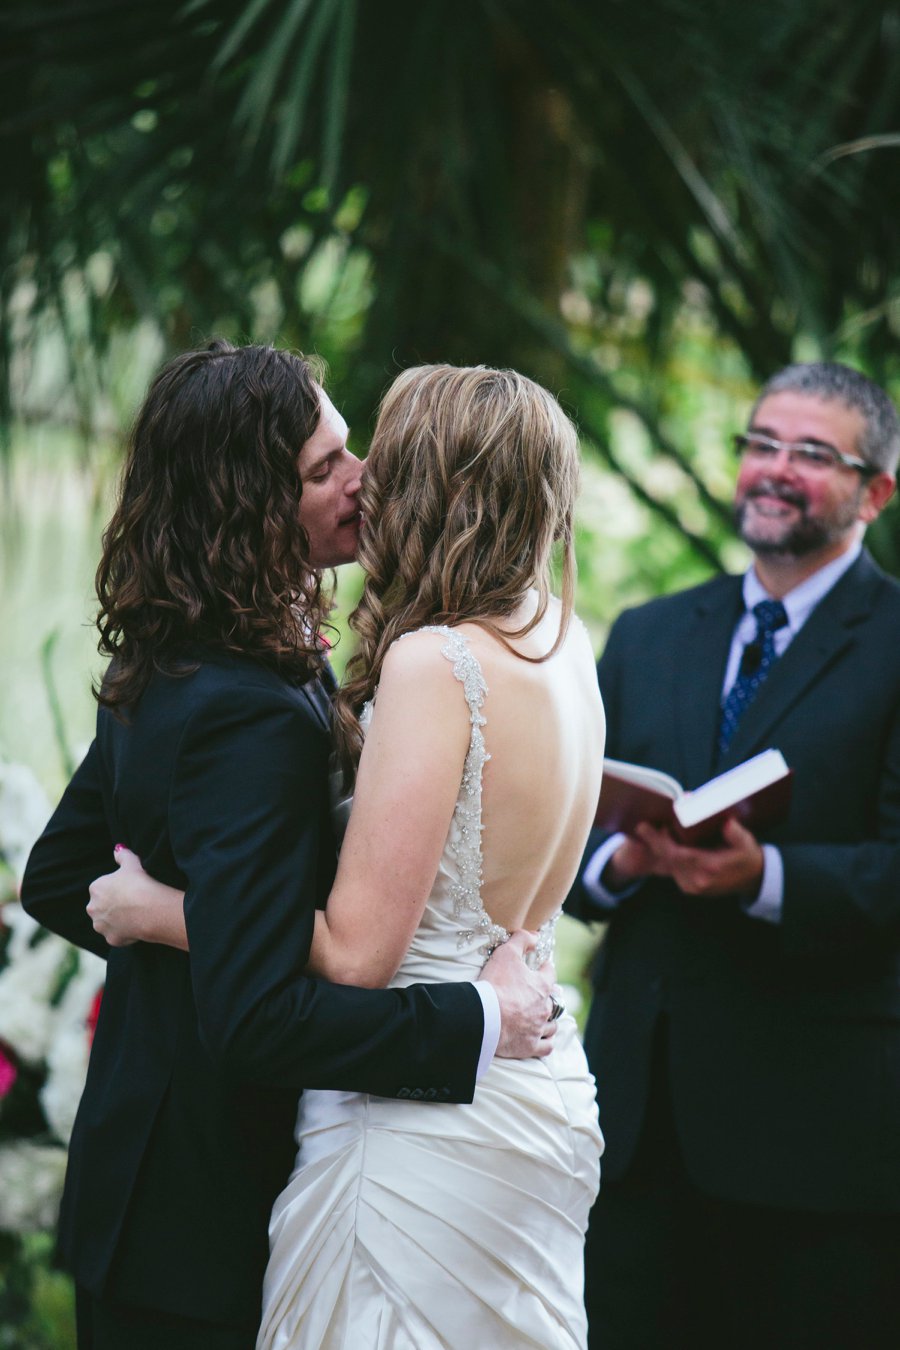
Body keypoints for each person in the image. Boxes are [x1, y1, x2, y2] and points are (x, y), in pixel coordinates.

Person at [20, 342, 559, 1350]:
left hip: (148, 1183)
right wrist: (477, 1022)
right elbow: (258, 1018)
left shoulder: (181, 649)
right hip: (201, 1216)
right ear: (248, 507)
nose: (363, 479)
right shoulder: (248, 710)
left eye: (347, 446)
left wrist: (188, 926)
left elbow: (60, 879)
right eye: (324, 470)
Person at [567, 362, 900, 1350]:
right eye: (761, 443)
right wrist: (616, 865)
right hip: (638, 1126)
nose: (774, 468)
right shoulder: (648, 634)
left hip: (818, 1138)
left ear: (876, 491)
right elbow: (570, 842)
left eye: (811, 454)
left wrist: (767, 879)